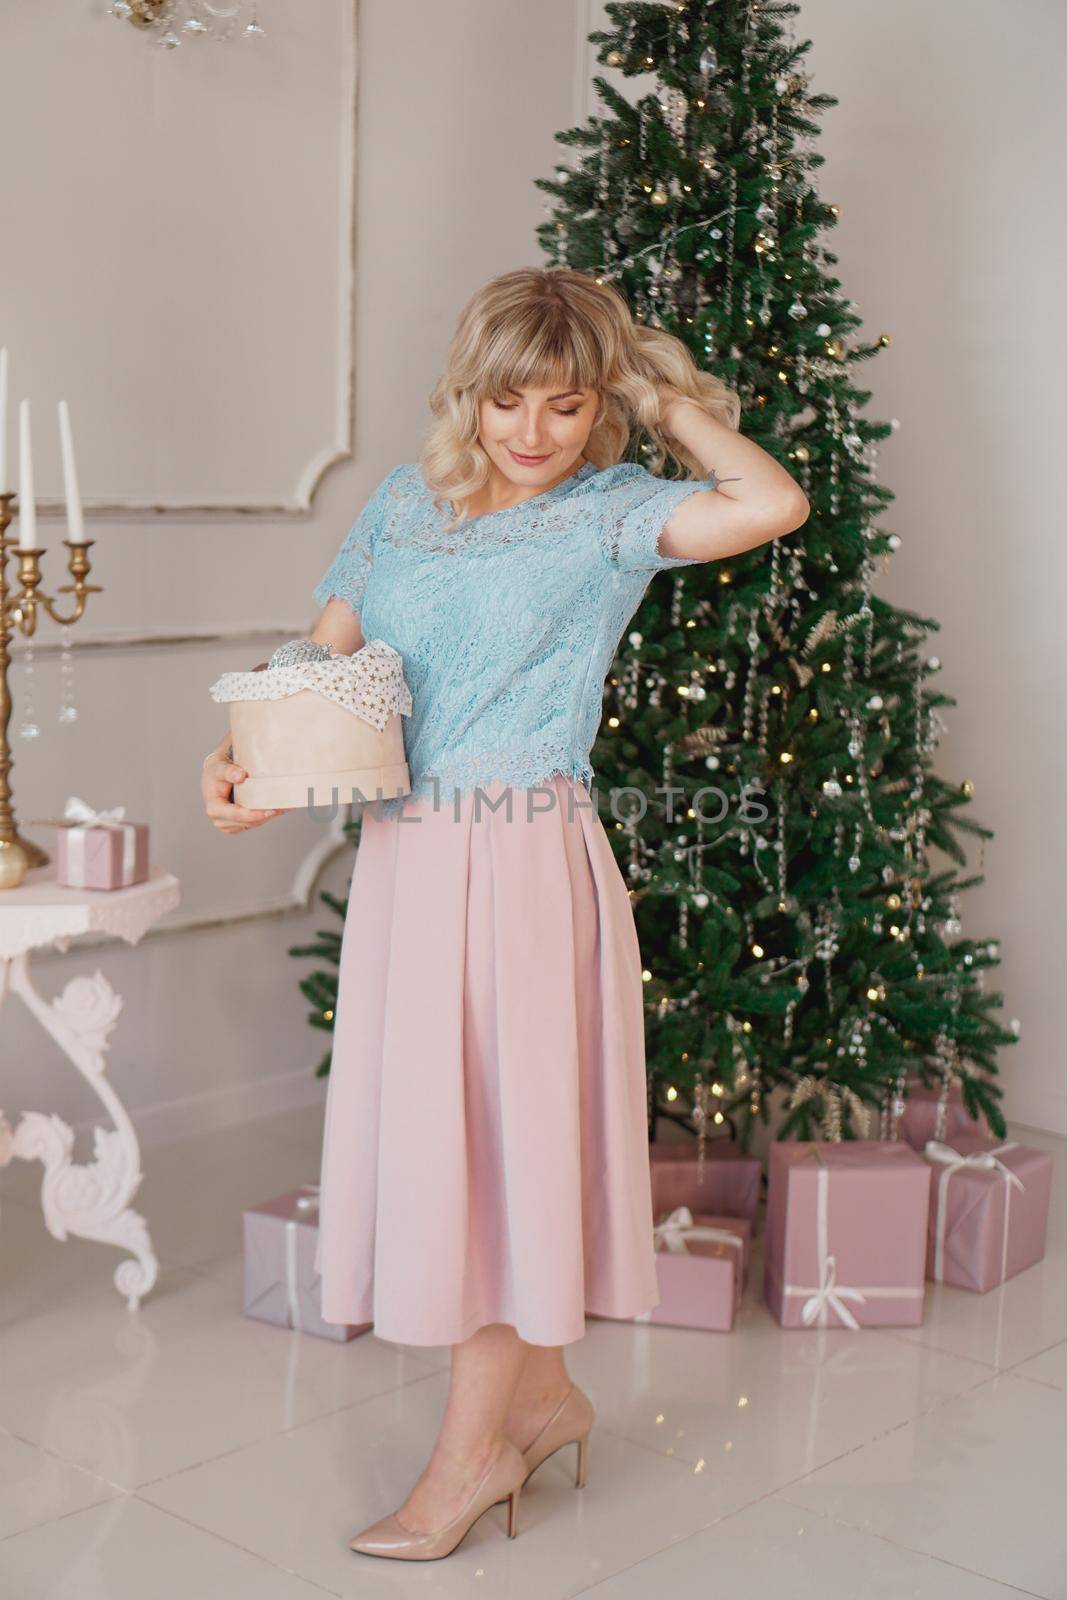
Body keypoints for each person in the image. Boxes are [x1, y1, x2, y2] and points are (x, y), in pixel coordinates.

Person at [201, 266, 809, 1562]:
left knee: (497, 1151)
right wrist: (242, 758)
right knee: (446, 1139)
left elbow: (774, 501)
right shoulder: (404, 502)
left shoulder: (610, 514)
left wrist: (657, 384)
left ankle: (473, 1455)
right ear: (468, 396)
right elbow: (325, 653)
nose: (534, 433)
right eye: (509, 402)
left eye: (570, 405)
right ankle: (536, 1403)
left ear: (601, 413)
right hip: (408, 862)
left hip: (528, 863)